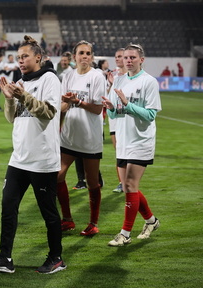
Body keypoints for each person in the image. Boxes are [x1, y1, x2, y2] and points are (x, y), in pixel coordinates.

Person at [0, 35, 66, 274]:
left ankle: (56, 257)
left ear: (38, 57)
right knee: (8, 206)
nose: (20, 61)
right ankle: (5, 258)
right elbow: (12, 118)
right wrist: (9, 99)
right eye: (18, 57)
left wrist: (22, 96)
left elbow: (47, 112)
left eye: (25, 56)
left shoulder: (50, 78)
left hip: (43, 160)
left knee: (48, 212)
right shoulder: (21, 81)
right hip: (19, 158)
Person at [102, 43, 161, 246]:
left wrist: (128, 104)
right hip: (123, 140)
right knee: (129, 188)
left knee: (129, 185)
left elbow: (151, 114)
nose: (128, 60)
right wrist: (111, 107)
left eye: (132, 57)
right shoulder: (119, 80)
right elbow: (113, 113)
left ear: (141, 60)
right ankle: (151, 221)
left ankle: (125, 234)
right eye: (125, 57)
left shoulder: (149, 82)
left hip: (141, 140)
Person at [57, 40, 105, 236]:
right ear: (74, 56)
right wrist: (64, 106)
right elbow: (62, 106)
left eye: (88, 53)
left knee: (92, 182)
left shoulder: (97, 76)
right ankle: (67, 219)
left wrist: (78, 101)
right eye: (81, 53)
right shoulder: (67, 76)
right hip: (68, 136)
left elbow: (97, 109)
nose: (84, 56)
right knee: (57, 176)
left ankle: (93, 223)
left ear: (92, 57)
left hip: (89, 137)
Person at [107, 48, 127, 193]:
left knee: (126, 152)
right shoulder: (113, 75)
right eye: (116, 57)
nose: (117, 59)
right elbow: (110, 98)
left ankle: (127, 182)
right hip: (113, 120)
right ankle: (122, 182)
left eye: (120, 56)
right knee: (118, 152)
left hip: (125, 119)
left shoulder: (130, 76)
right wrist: (111, 84)